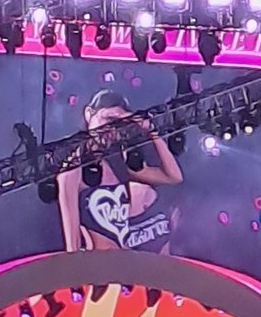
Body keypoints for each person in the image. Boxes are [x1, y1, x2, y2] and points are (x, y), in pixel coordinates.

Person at [57, 90, 182, 253]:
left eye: (119, 124)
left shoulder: (120, 162)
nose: (111, 129)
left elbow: (173, 176)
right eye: (108, 119)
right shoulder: (72, 171)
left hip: (125, 261)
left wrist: (152, 132)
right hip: (97, 263)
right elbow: (72, 244)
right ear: (89, 114)